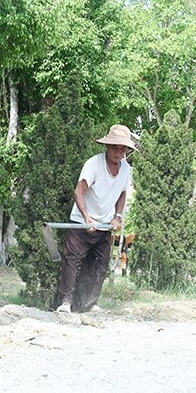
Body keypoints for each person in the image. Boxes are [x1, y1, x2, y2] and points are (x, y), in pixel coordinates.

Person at [54, 124, 135, 314]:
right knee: (72, 261)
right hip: (81, 221)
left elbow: (122, 193)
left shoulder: (126, 170)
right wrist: (86, 217)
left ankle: (88, 304)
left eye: (122, 148)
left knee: (99, 264)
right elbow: (78, 191)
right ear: (107, 147)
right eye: (114, 147)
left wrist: (117, 217)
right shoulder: (94, 164)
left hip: (105, 225)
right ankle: (65, 302)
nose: (118, 152)